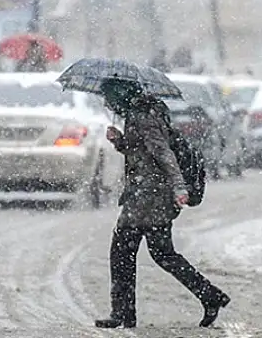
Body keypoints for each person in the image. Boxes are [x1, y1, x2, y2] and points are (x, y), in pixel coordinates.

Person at [95, 78, 231, 329]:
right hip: (150, 194)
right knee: (161, 254)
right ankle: (210, 296)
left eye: (109, 97)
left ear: (120, 95)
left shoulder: (143, 116)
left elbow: (162, 152)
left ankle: (123, 314)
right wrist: (119, 142)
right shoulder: (144, 112)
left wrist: (179, 186)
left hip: (149, 196)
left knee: (123, 250)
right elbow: (141, 151)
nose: (107, 103)